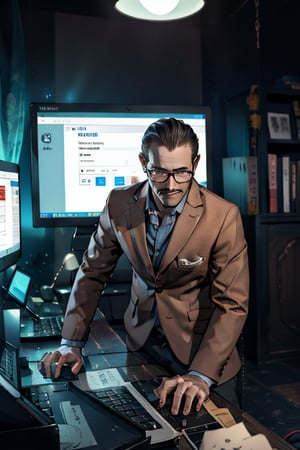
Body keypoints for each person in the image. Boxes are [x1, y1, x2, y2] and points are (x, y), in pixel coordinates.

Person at [39, 117, 249, 416]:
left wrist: (200, 375)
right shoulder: (118, 203)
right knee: (146, 428)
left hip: (202, 352)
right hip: (142, 342)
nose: (171, 184)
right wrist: (70, 342)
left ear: (196, 163)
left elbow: (233, 304)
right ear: (143, 162)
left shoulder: (223, 216)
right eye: (160, 172)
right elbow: (92, 272)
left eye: (181, 172)